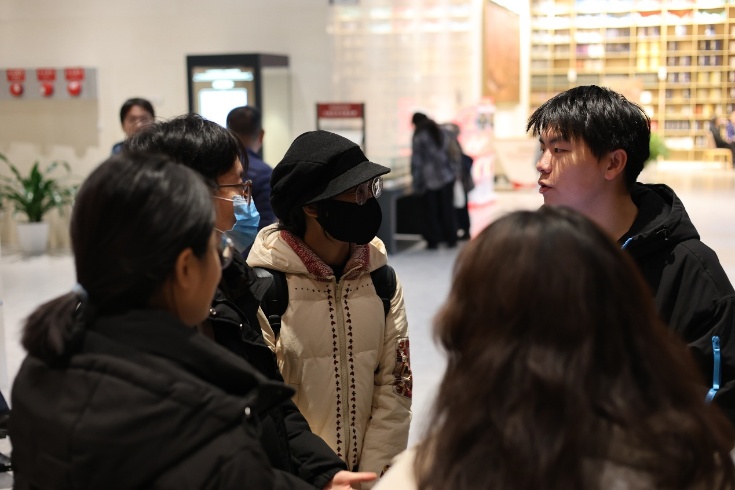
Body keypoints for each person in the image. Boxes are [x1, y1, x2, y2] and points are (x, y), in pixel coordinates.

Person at [376, 206, 735, 490]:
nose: (543, 165)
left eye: (560, 149)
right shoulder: (691, 466)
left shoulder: (427, 473)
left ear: (466, 331)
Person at [10, 152, 312, 488]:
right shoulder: (202, 425)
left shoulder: (39, 369)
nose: (223, 263)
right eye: (218, 248)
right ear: (185, 268)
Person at [125, 115, 373, 490]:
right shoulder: (133, 327)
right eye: (237, 186)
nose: (245, 198)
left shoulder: (230, 279)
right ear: (188, 193)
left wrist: (323, 473)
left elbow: (266, 400)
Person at [527, 85, 735, 424]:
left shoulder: (690, 270)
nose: (542, 164)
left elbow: (716, 400)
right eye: (543, 148)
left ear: (613, 163)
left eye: (559, 150)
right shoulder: (534, 251)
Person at [247, 130, 412, 483]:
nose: (368, 201)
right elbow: (268, 407)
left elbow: (395, 387)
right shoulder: (263, 288)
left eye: (371, 188)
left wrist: (369, 479)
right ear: (312, 206)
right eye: (356, 192)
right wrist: (323, 478)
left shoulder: (381, 280)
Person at [410, 112, 459, 249]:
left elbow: (417, 161)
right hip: (447, 176)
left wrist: (416, 181)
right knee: (447, 209)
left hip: (429, 179)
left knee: (431, 212)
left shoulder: (419, 136)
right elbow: (453, 153)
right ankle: (451, 238)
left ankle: (434, 240)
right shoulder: (442, 131)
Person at [227, 105, 277, 231]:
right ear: (261, 135)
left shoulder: (215, 166)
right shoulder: (265, 174)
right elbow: (265, 228)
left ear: (227, 133)